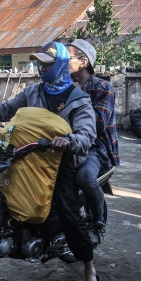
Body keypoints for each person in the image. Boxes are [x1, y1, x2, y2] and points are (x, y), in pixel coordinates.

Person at [0, 41, 102, 281]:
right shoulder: (33, 92)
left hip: (58, 163)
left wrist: (69, 141)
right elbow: (6, 108)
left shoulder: (79, 101)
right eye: (39, 62)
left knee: (69, 212)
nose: (40, 67)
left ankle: (89, 269)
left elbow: (86, 135)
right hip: (26, 156)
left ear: (60, 65)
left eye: (47, 63)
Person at [58, 38, 120, 229]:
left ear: (83, 62)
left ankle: (98, 217)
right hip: (69, 143)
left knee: (84, 177)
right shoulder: (62, 88)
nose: (61, 63)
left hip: (96, 148)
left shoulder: (103, 88)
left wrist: (73, 104)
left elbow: (99, 124)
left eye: (66, 58)